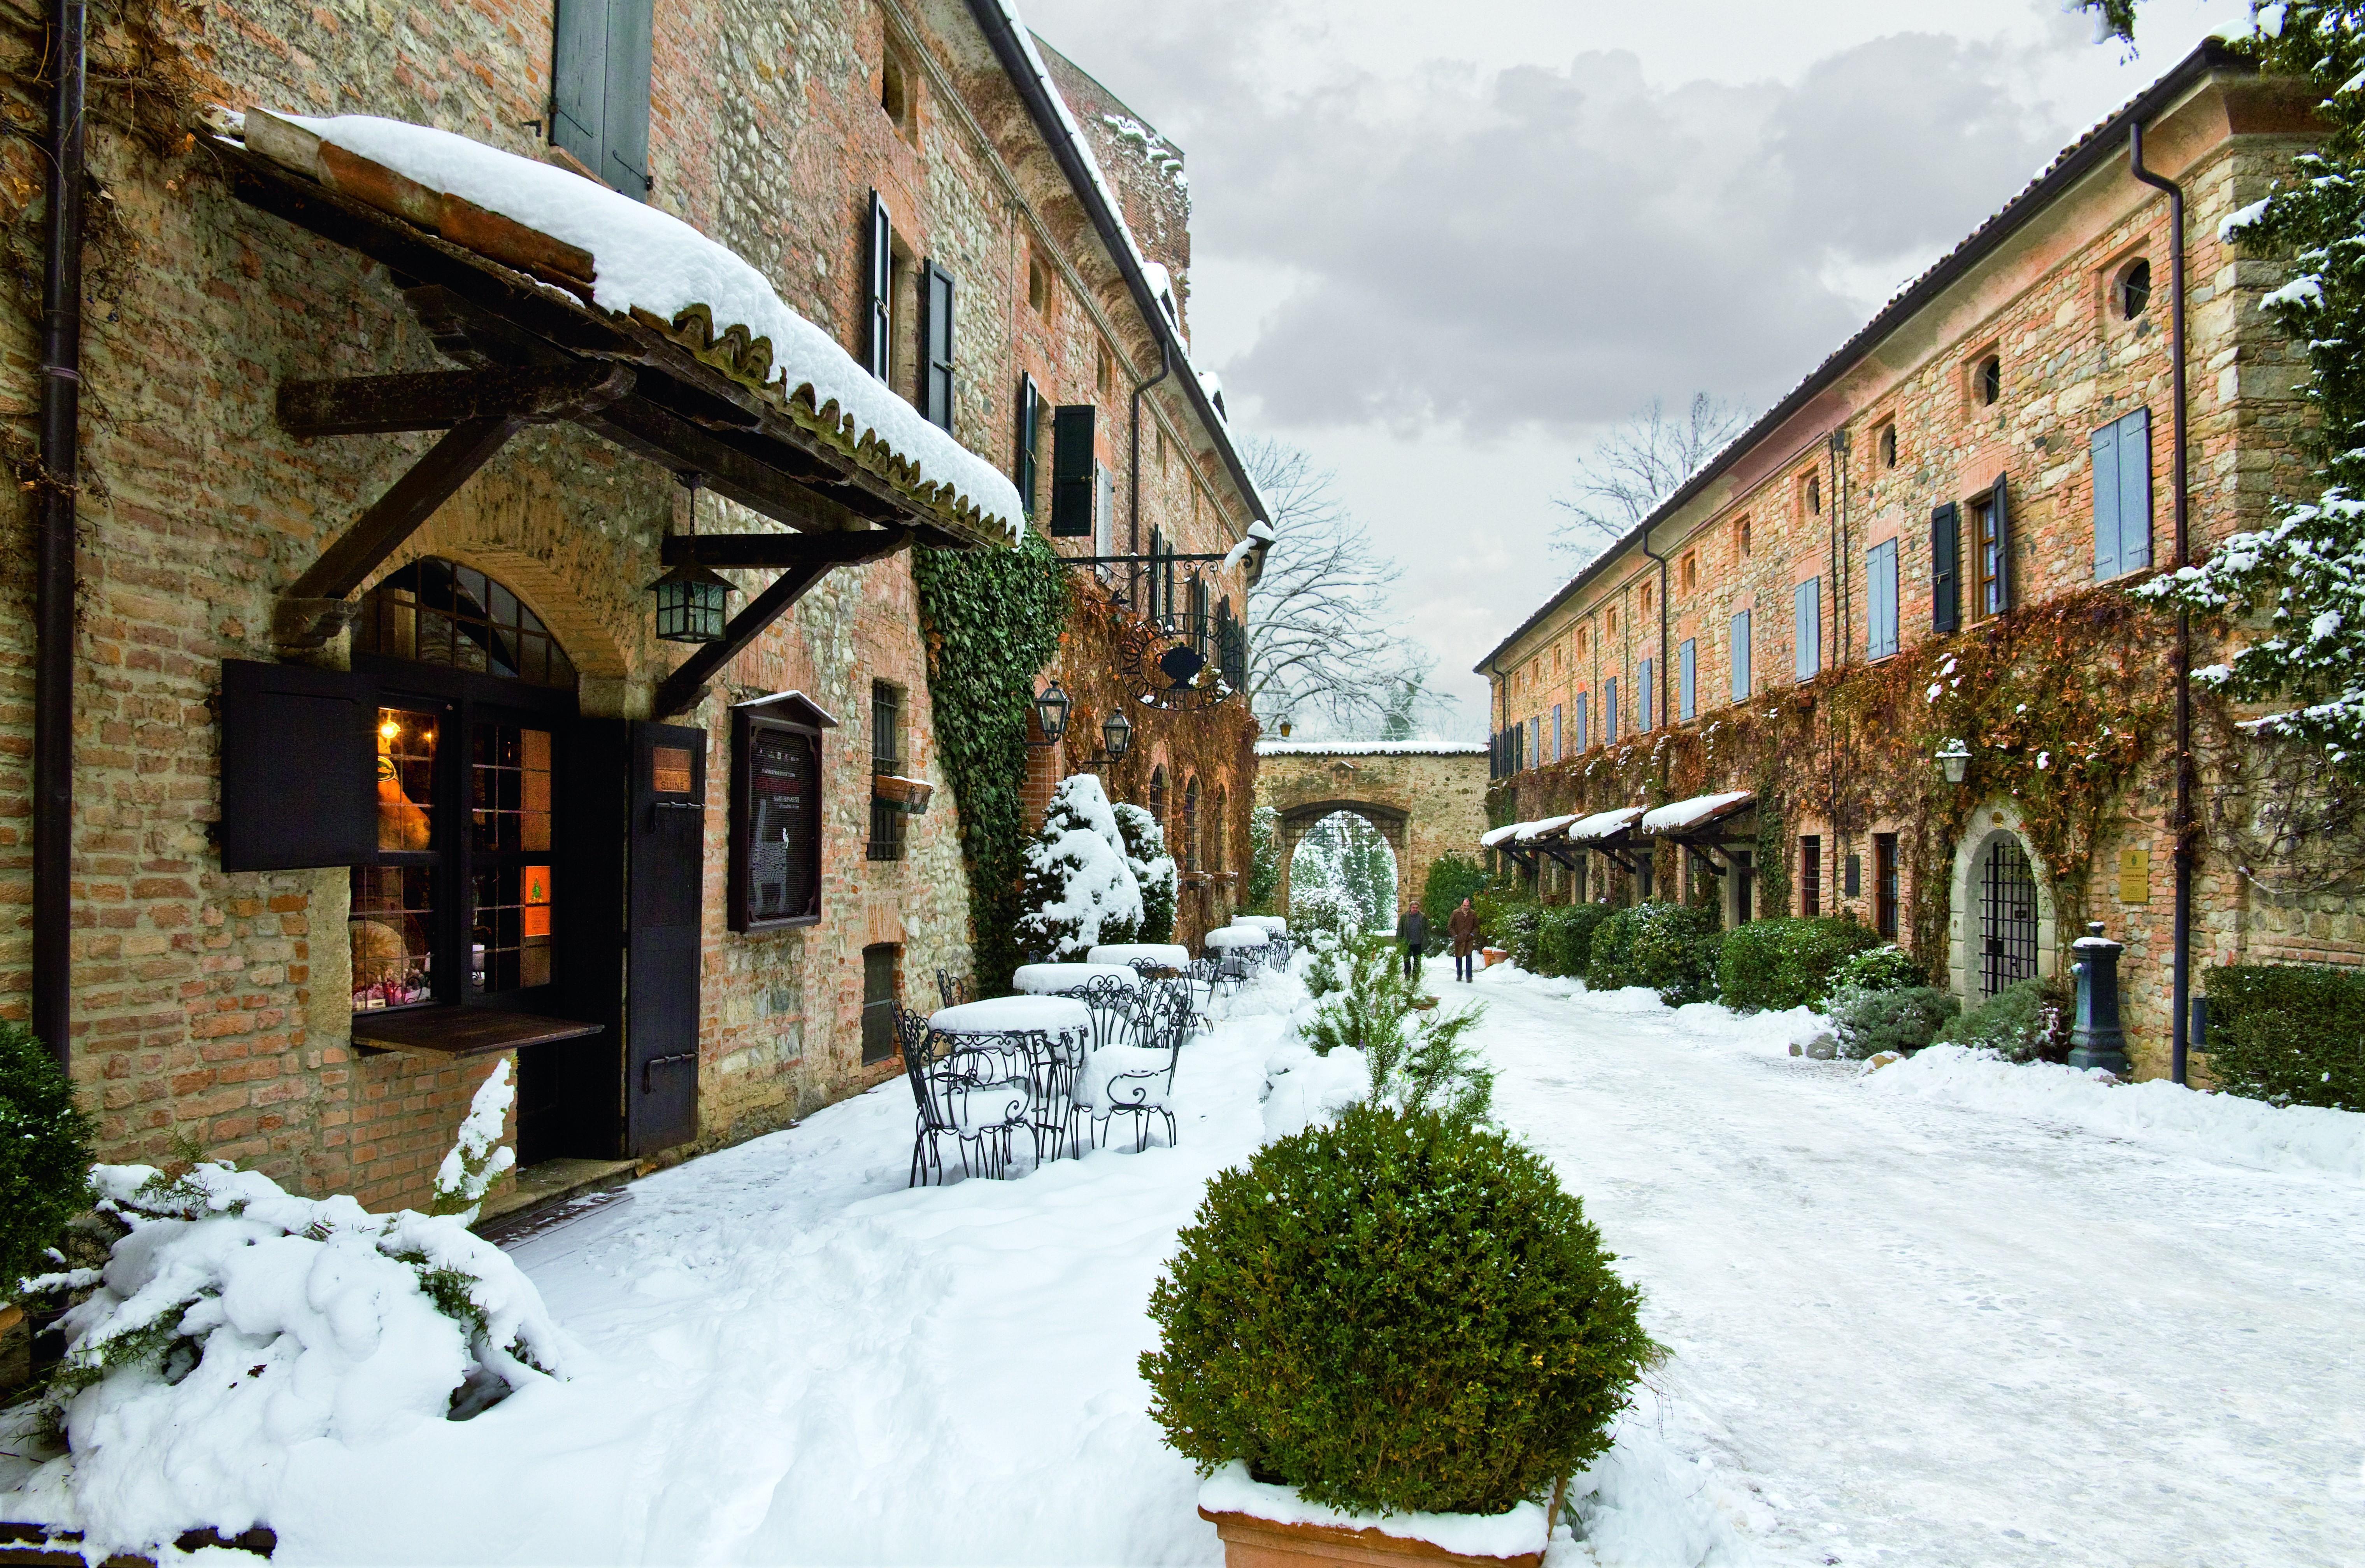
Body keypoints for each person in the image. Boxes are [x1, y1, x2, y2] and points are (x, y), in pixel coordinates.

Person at [1448, 897, 1479, 983]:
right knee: (1459, 957)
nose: (1466, 908)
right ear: (1462, 905)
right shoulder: (1456, 913)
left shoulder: (1473, 914)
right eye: (1465, 906)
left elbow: (1477, 927)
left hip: (1469, 939)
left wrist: (1472, 935)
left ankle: (1469, 976)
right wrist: (1455, 936)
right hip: (1459, 938)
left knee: (1469, 957)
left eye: (1468, 906)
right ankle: (1459, 974)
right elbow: (1450, 926)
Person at [1395, 904, 1428, 984]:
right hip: (1407, 942)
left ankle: (1416, 976)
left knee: (1417, 961)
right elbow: (1400, 929)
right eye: (1414, 908)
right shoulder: (1404, 917)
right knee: (1407, 960)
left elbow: (1426, 930)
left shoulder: (1422, 917)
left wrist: (1426, 940)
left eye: (1417, 908)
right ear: (1410, 908)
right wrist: (1399, 940)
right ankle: (1408, 975)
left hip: (1418, 943)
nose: (1415, 909)